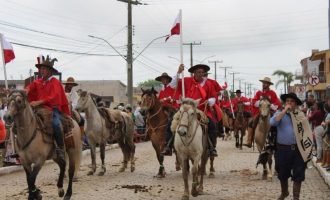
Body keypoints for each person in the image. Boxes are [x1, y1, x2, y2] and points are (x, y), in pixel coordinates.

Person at [169, 64, 221, 157]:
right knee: (171, 122)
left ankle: (211, 148)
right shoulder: (186, 81)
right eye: (198, 72)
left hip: (201, 110)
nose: (200, 74)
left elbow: (213, 98)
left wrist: (209, 101)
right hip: (186, 109)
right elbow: (173, 85)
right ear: (194, 73)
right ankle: (168, 146)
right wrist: (178, 72)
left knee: (212, 125)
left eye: (202, 72)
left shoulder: (208, 84)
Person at [25, 55, 70, 162]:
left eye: (44, 69)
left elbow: (54, 97)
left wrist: (39, 102)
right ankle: (23, 148)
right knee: (23, 121)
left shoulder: (55, 82)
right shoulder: (38, 81)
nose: (41, 70)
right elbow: (29, 88)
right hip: (38, 108)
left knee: (55, 124)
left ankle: (60, 149)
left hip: (53, 109)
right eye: (41, 69)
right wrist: (22, 92)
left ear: (50, 71)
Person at [270, 92, 313, 200]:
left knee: (298, 175)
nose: (289, 103)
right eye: (287, 101)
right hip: (283, 150)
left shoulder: (300, 115)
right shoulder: (279, 113)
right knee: (283, 174)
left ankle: (296, 197)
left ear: (295, 104)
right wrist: (284, 111)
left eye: (292, 101)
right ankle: (284, 192)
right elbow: (272, 123)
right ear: (284, 103)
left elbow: (307, 131)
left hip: (298, 150)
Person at [244, 77, 282, 148]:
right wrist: (259, 103)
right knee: (251, 122)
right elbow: (254, 100)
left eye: (266, 83)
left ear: (269, 85)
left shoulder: (272, 93)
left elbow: (277, 102)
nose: (264, 84)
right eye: (263, 83)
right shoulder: (259, 93)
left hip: (270, 111)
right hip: (260, 111)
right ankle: (250, 140)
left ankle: (276, 140)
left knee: (276, 122)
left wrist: (271, 105)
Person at [155, 72, 179, 156]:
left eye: (165, 79)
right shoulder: (161, 90)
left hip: (171, 108)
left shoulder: (172, 87)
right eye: (162, 79)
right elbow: (159, 100)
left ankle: (168, 145)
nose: (164, 80)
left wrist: (168, 99)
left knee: (170, 122)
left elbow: (176, 97)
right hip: (162, 108)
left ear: (168, 80)